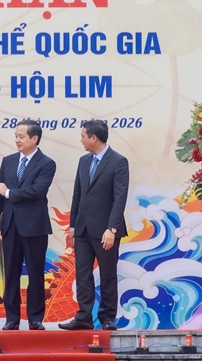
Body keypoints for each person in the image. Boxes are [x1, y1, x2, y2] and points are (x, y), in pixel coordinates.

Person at [59, 120, 129, 332]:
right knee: (83, 275)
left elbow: (120, 198)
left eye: (83, 136)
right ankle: (83, 318)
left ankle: (107, 318)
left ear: (94, 138)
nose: (81, 140)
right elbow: (78, 195)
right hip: (82, 230)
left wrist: (112, 229)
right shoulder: (83, 161)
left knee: (107, 275)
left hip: (106, 231)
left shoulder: (118, 161)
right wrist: (72, 227)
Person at [0, 119, 56, 331]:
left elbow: (37, 191)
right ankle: (12, 319)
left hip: (34, 227)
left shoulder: (46, 163)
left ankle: (35, 318)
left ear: (34, 138)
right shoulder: (9, 161)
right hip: (10, 226)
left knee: (35, 274)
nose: (17, 140)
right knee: (11, 273)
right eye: (16, 136)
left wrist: (9, 192)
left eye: (21, 136)